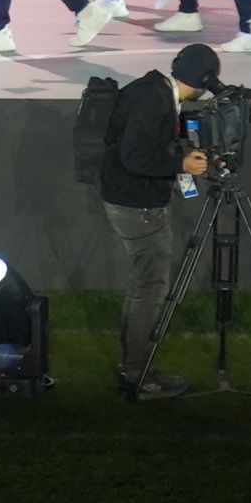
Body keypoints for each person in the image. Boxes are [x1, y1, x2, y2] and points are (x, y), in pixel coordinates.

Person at [94, 43, 221, 401]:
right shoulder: (153, 100)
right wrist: (181, 166)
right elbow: (135, 155)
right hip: (139, 208)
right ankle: (139, 374)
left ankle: (132, 367)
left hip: (126, 201)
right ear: (201, 81)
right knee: (149, 290)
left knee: (141, 288)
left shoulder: (150, 89)